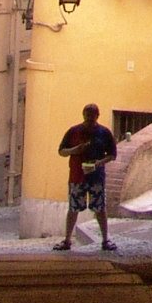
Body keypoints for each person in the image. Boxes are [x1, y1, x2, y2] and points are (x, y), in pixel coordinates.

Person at [54, 102, 118, 251]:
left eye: (92, 115)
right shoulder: (73, 132)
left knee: (100, 208)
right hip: (77, 176)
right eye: (87, 115)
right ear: (83, 115)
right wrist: (75, 150)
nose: (89, 118)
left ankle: (105, 240)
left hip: (96, 177)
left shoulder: (105, 133)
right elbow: (61, 151)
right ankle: (68, 240)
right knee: (73, 208)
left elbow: (112, 155)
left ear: (97, 116)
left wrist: (99, 163)